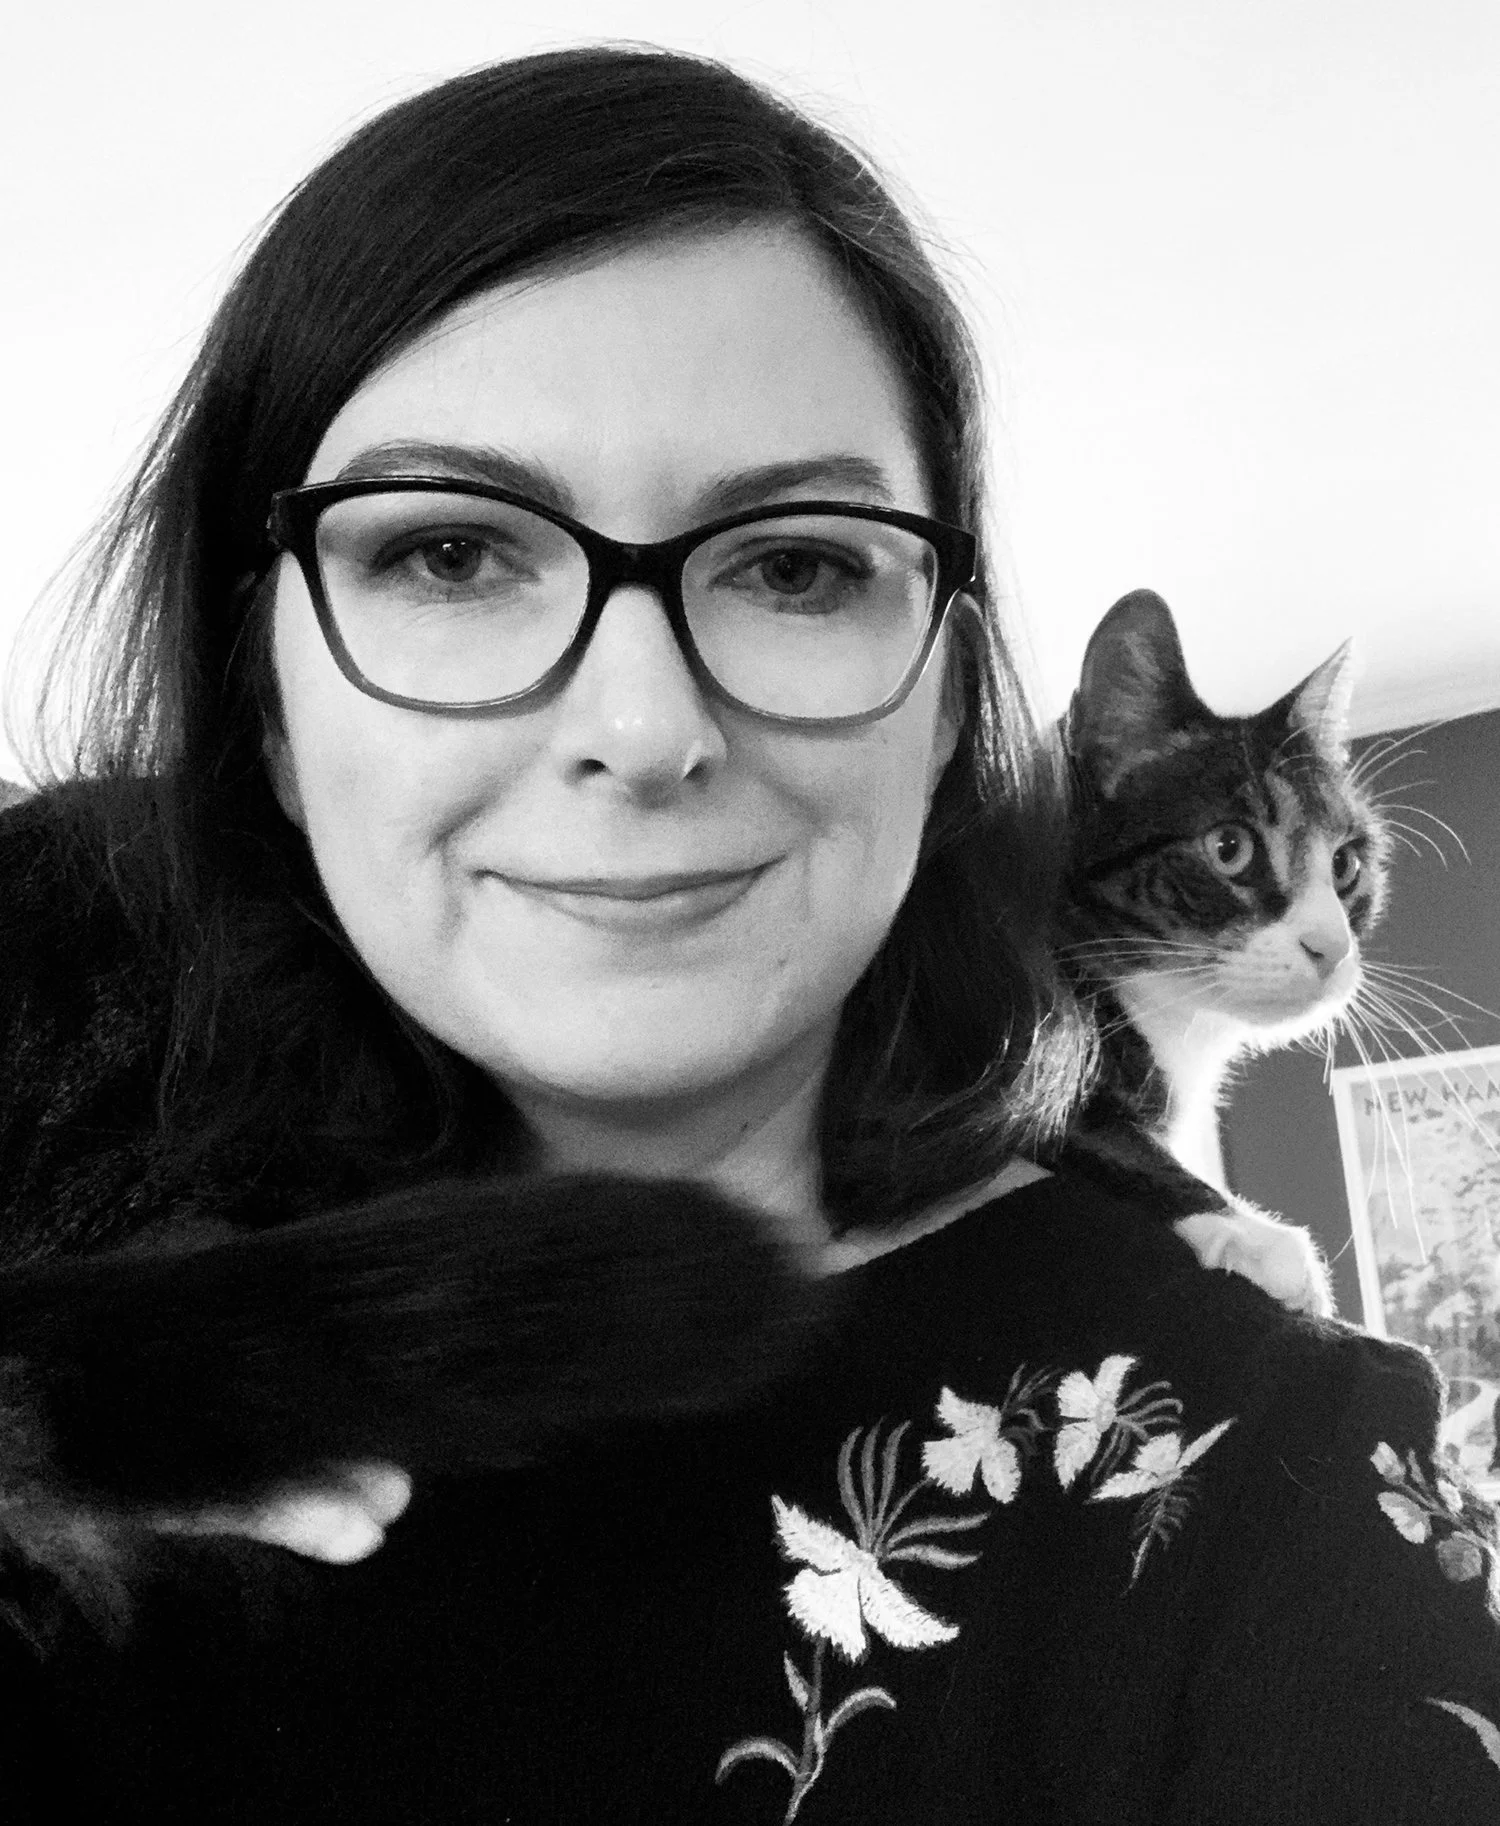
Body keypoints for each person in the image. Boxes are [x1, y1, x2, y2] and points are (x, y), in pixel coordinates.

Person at [0, 45, 1496, 1825]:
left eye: (795, 565)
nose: (643, 727)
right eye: (454, 554)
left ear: (946, 704)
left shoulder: (1281, 1477)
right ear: (265, 705)